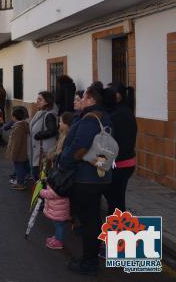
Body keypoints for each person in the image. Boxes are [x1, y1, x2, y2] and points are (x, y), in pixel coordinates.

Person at [59, 85, 112, 275]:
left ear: (90, 100)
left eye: (82, 98)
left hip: (86, 178)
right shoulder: (104, 117)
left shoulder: (90, 120)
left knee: (89, 222)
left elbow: (78, 148)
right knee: (92, 220)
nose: (79, 101)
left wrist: (63, 162)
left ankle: (89, 263)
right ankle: (90, 258)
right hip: (98, 176)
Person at [104, 82, 137, 215]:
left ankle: (119, 233)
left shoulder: (120, 114)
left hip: (120, 164)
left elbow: (115, 144)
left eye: (107, 92)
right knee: (115, 201)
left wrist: (100, 163)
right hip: (121, 163)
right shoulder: (118, 111)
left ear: (117, 96)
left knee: (116, 203)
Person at [29, 91, 58, 180]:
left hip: (43, 154)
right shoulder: (41, 113)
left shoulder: (49, 115)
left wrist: (39, 135)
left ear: (47, 102)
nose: (37, 101)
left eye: (40, 99)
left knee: (41, 180)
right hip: (38, 153)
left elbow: (52, 130)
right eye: (37, 99)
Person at [39, 184, 71, 250]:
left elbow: (54, 193)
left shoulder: (61, 183)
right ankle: (57, 237)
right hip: (57, 208)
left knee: (59, 225)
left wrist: (42, 192)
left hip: (60, 209)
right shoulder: (60, 179)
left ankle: (59, 241)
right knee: (57, 224)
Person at [5, 106, 29, 190]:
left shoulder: (18, 128)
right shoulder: (23, 125)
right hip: (22, 151)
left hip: (18, 153)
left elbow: (16, 143)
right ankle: (21, 181)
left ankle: (20, 183)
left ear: (14, 117)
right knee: (21, 167)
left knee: (19, 168)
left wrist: (13, 155)